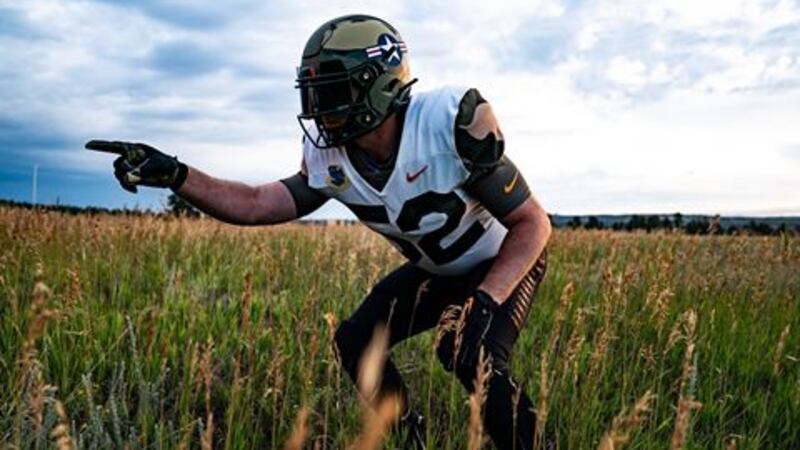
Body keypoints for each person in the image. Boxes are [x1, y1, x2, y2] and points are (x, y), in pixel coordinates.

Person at [87, 14, 551, 450]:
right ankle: (410, 432)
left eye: (331, 94)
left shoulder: (446, 124)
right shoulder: (332, 158)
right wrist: (177, 175)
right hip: (438, 269)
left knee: (467, 352)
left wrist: (488, 299)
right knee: (356, 340)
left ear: (378, 86)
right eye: (314, 96)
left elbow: (532, 223)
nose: (320, 111)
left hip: (503, 260)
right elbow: (254, 204)